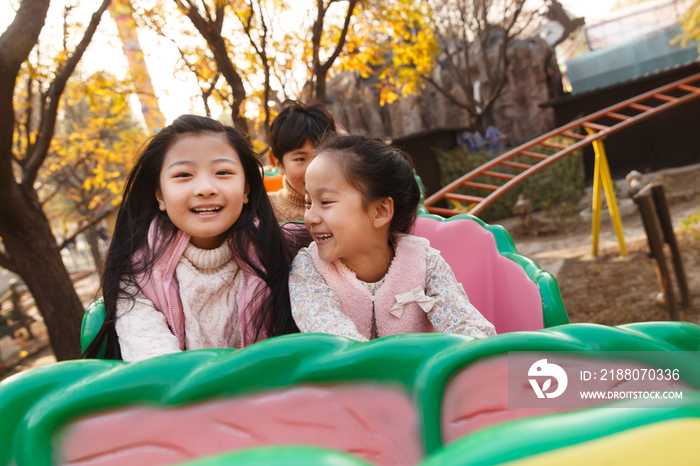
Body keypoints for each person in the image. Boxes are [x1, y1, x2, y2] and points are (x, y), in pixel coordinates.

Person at [83, 115, 298, 361]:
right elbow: (158, 365)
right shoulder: (136, 276)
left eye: (223, 172)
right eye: (184, 175)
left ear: (247, 189)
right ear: (160, 196)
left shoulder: (284, 254)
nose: (205, 188)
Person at [290, 135, 496, 341]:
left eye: (325, 201)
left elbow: (467, 327)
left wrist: (476, 350)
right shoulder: (310, 267)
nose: (311, 217)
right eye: (308, 202)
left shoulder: (424, 263)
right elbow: (335, 342)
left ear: (380, 211)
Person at [267, 101, 337, 222]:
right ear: (279, 164)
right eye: (300, 159)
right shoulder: (266, 209)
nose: (312, 169)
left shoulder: (345, 204)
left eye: (320, 156)